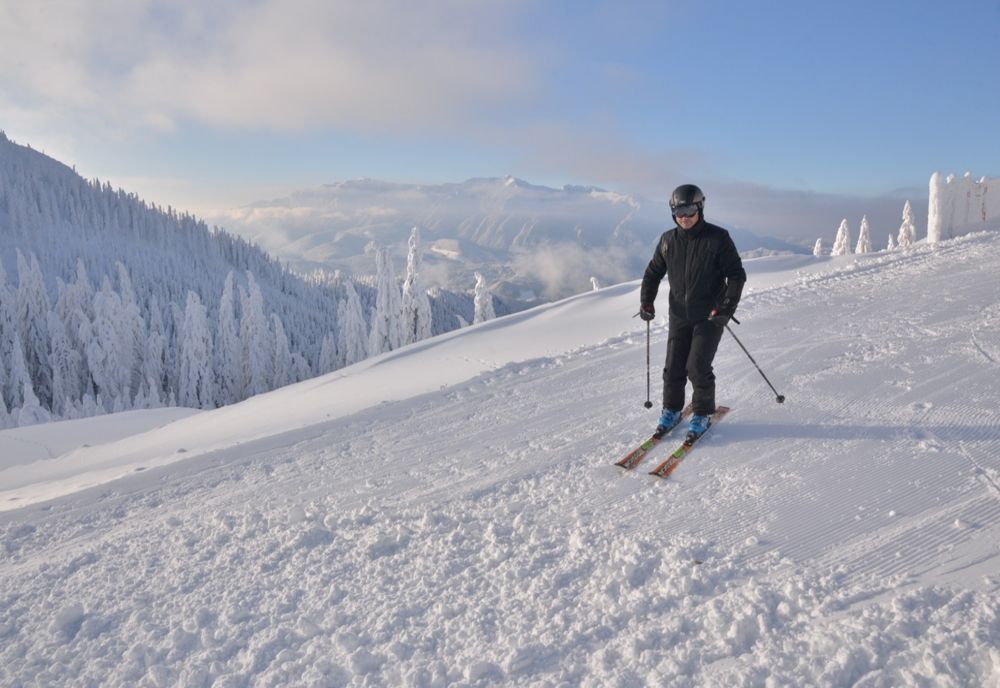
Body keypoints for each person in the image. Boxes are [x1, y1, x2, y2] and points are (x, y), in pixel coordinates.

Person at [639, 184, 747, 440]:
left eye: (688, 210)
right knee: (673, 366)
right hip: (679, 314)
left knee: (697, 366)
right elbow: (653, 272)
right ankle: (672, 410)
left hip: (710, 314)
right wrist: (646, 302)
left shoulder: (717, 238)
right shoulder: (668, 240)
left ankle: (701, 413)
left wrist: (726, 307)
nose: (684, 217)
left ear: (699, 208)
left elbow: (736, 275)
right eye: (678, 211)